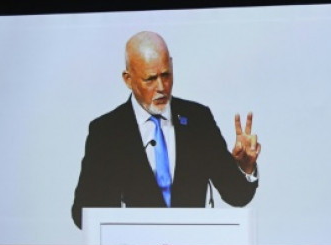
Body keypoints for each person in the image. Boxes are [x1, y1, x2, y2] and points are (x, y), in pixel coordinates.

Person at [71, 31, 262, 228]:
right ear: (128, 80)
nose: (161, 87)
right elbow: (82, 215)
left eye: (166, 75)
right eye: (150, 79)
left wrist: (245, 167)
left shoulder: (198, 120)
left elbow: (237, 196)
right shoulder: (106, 132)